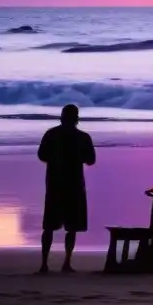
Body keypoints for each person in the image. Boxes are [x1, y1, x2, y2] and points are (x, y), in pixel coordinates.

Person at [37, 104, 96, 274]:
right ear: (77, 119)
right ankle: (67, 262)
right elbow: (91, 160)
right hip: (75, 185)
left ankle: (44, 264)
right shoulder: (83, 137)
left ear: (61, 118)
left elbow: (41, 155)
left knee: (49, 226)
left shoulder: (51, 134)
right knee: (72, 227)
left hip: (55, 184)